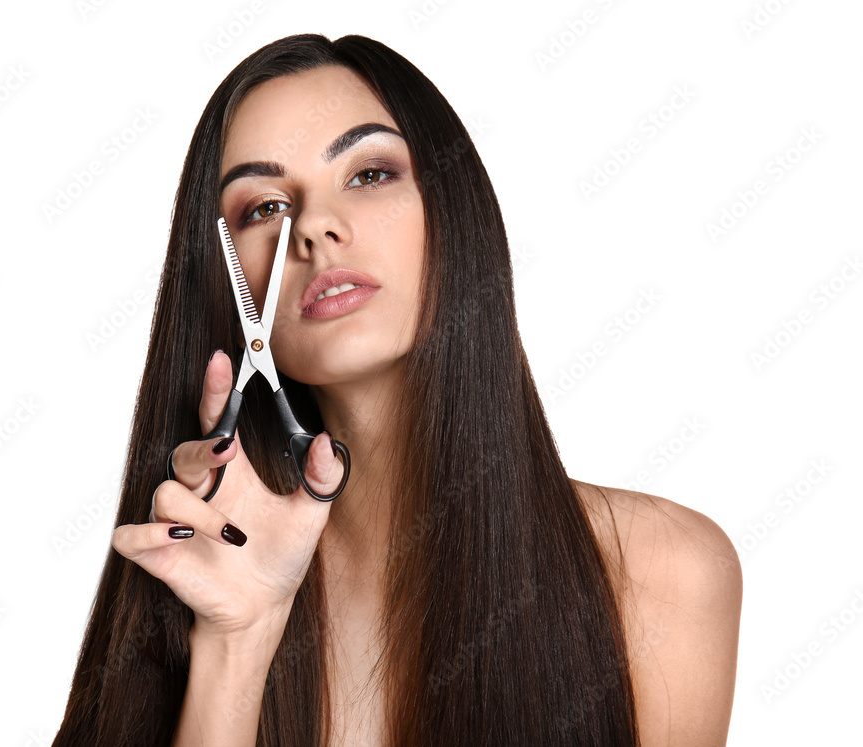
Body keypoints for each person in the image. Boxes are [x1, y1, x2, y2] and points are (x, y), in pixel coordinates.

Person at [53, 33, 742, 747]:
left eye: (369, 173)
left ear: (453, 211)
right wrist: (238, 639)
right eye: (262, 209)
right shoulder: (196, 578)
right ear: (223, 288)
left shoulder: (667, 573)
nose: (315, 227)